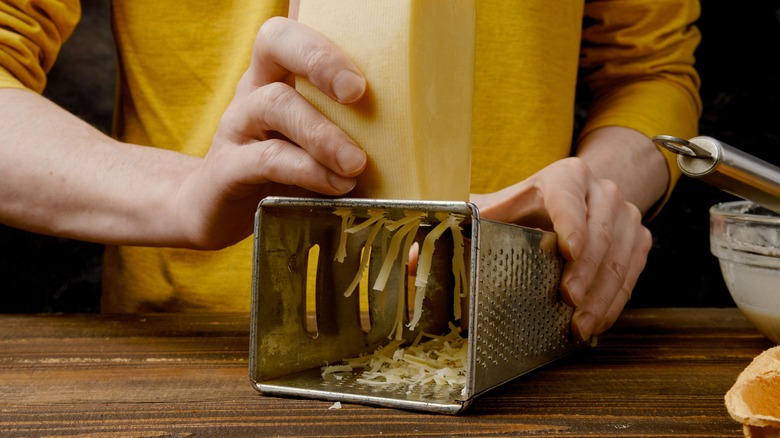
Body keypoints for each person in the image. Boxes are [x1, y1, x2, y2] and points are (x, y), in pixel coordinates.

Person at [0, 0, 701, 341]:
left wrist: (605, 185)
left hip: (512, 346)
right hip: (195, 355)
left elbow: (651, 72)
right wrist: (180, 194)